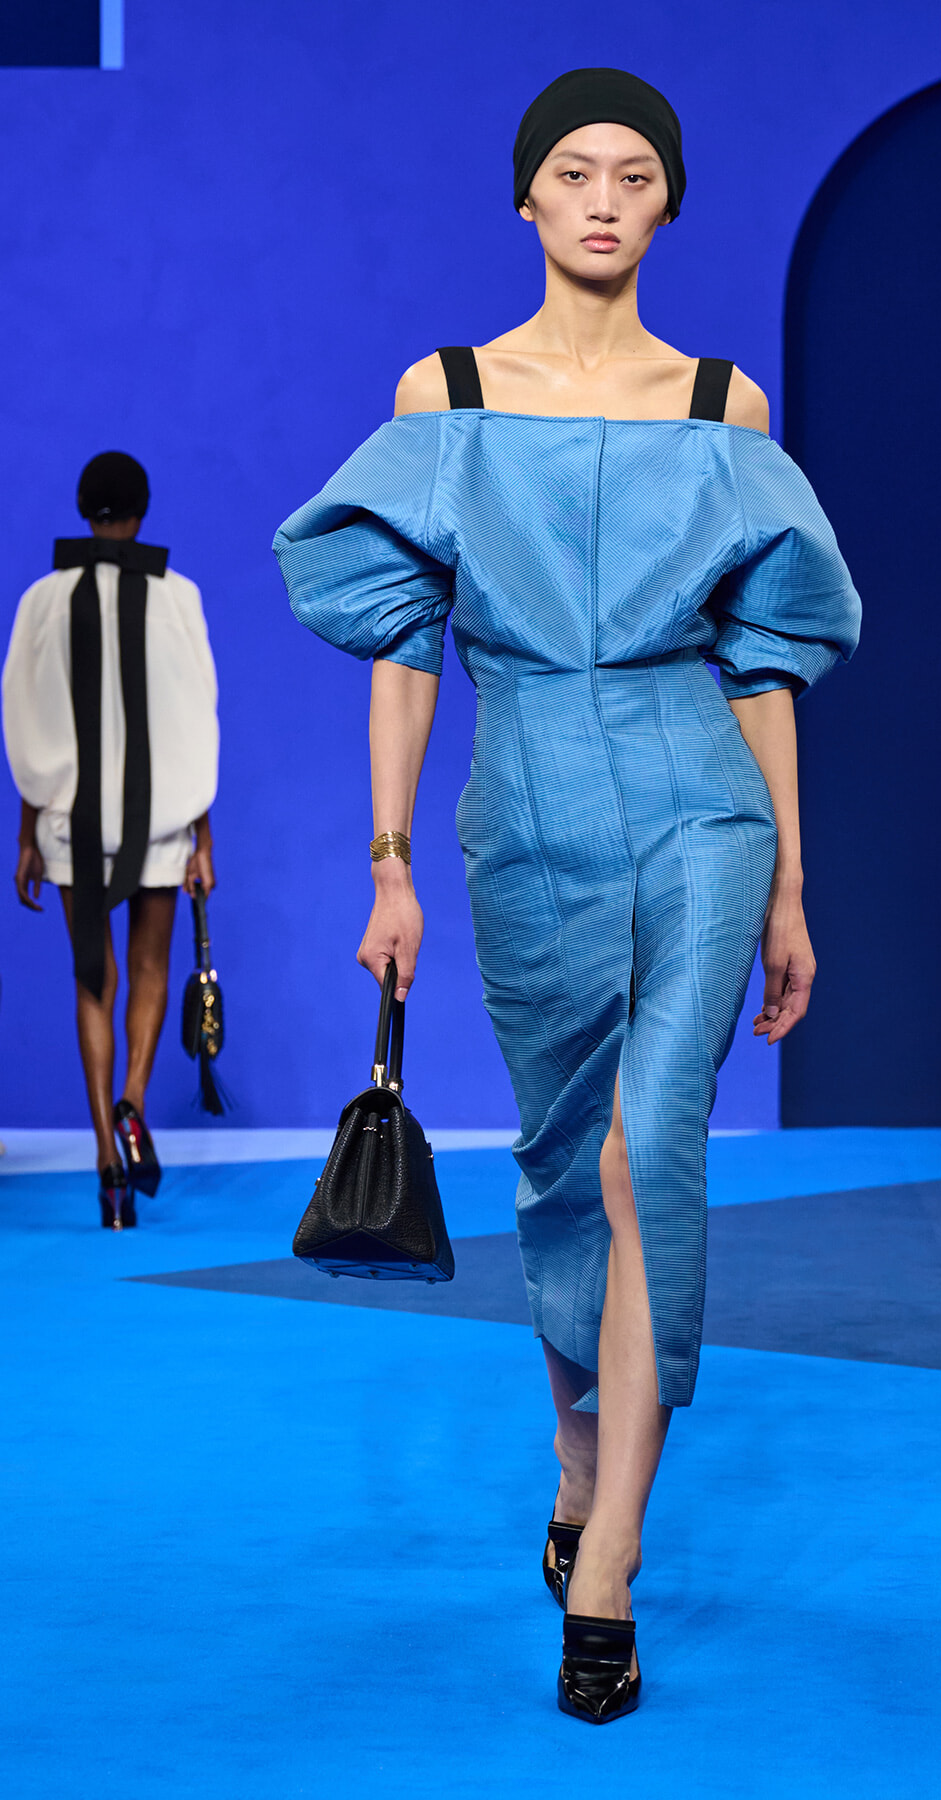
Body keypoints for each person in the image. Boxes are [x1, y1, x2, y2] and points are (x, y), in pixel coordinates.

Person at [275, 68, 860, 1722]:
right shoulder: (445, 392)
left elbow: (766, 671)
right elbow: (400, 644)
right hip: (521, 798)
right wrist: (386, 860)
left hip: (699, 798)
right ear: (526, 200)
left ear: (668, 206)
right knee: (555, 1166)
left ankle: (609, 1566)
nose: (603, 199)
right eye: (572, 172)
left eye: (634, 175)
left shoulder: (721, 410)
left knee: (643, 1148)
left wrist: (792, 883)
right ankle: (575, 1453)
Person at [3, 452, 218, 1228]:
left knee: (92, 978)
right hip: (159, 821)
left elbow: (23, 719)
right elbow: (198, 720)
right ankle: (133, 1100)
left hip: (68, 821)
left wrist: (27, 831)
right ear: (145, 507)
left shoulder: (41, 599)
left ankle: (106, 1159)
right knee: (151, 968)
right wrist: (203, 836)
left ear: (82, 506)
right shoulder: (178, 597)